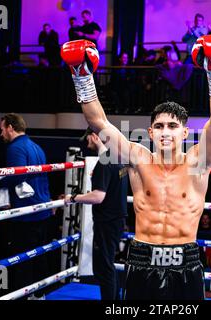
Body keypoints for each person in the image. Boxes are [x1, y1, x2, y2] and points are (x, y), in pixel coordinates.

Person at [61, 33, 211, 300]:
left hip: (185, 260)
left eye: (173, 126)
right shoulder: (137, 158)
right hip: (142, 259)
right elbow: (98, 122)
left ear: (185, 133)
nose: (166, 132)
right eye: (160, 126)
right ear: (151, 133)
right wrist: (81, 74)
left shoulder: (198, 162)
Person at [0, 113, 53, 300]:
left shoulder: (15, 148)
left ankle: (26, 296)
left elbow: (18, 175)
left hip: (27, 213)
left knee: (23, 260)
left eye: (2, 128)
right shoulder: (36, 147)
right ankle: (40, 294)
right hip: (42, 210)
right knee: (39, 256)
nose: (1, 133)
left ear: (11, 127)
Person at [66, 128, 128, 300]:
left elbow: (98, 196)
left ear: (95, 137)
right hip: (116, 219)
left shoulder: (104, 162)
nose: (86, 143)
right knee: (107, 265)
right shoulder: (118, 159)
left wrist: (73, 198)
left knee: (103, 267)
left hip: (107, 221)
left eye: (88, 138)